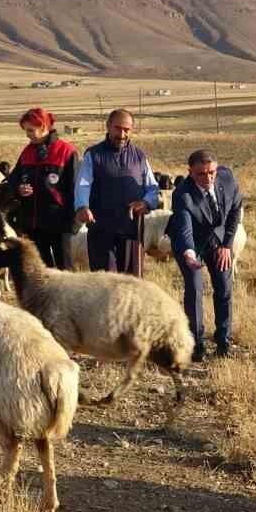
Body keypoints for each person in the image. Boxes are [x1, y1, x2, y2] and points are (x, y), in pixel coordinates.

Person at [166, 149, 241, 362]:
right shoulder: (182, 194)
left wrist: (226, 245)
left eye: (211, 172)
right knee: (195, 289)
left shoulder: (226, 178)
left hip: (219, 241)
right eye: (201, 174)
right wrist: (189, 254)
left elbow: (235, 209)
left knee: (224, 288)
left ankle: (224, 341)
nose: (207, 178)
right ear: (190, 172)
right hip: (192, 243)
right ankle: (196, 344)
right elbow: (184, 229)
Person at [74, 109, 159, 276]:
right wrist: (82, 206)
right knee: (105, 283)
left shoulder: (139, 156)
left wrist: (147, 202)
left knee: (131, 282)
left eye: (126, 130)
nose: (121, 134)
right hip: (101, 229)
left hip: (131, 230)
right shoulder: (94, 155)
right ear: (108, 126)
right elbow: (83, 184)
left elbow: (152, 188)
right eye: (117, 128)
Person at [4, 107, 78, 269]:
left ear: (44, 127)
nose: (27, 134)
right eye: (25, 130)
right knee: (41, 271)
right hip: (33, 224)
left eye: (31, 130)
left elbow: (75, 189)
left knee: (64, 271)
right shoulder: (27, 152)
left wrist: (73, 224)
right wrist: (18, 189)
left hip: (59, 223)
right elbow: (12, 180)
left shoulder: (66, 151)